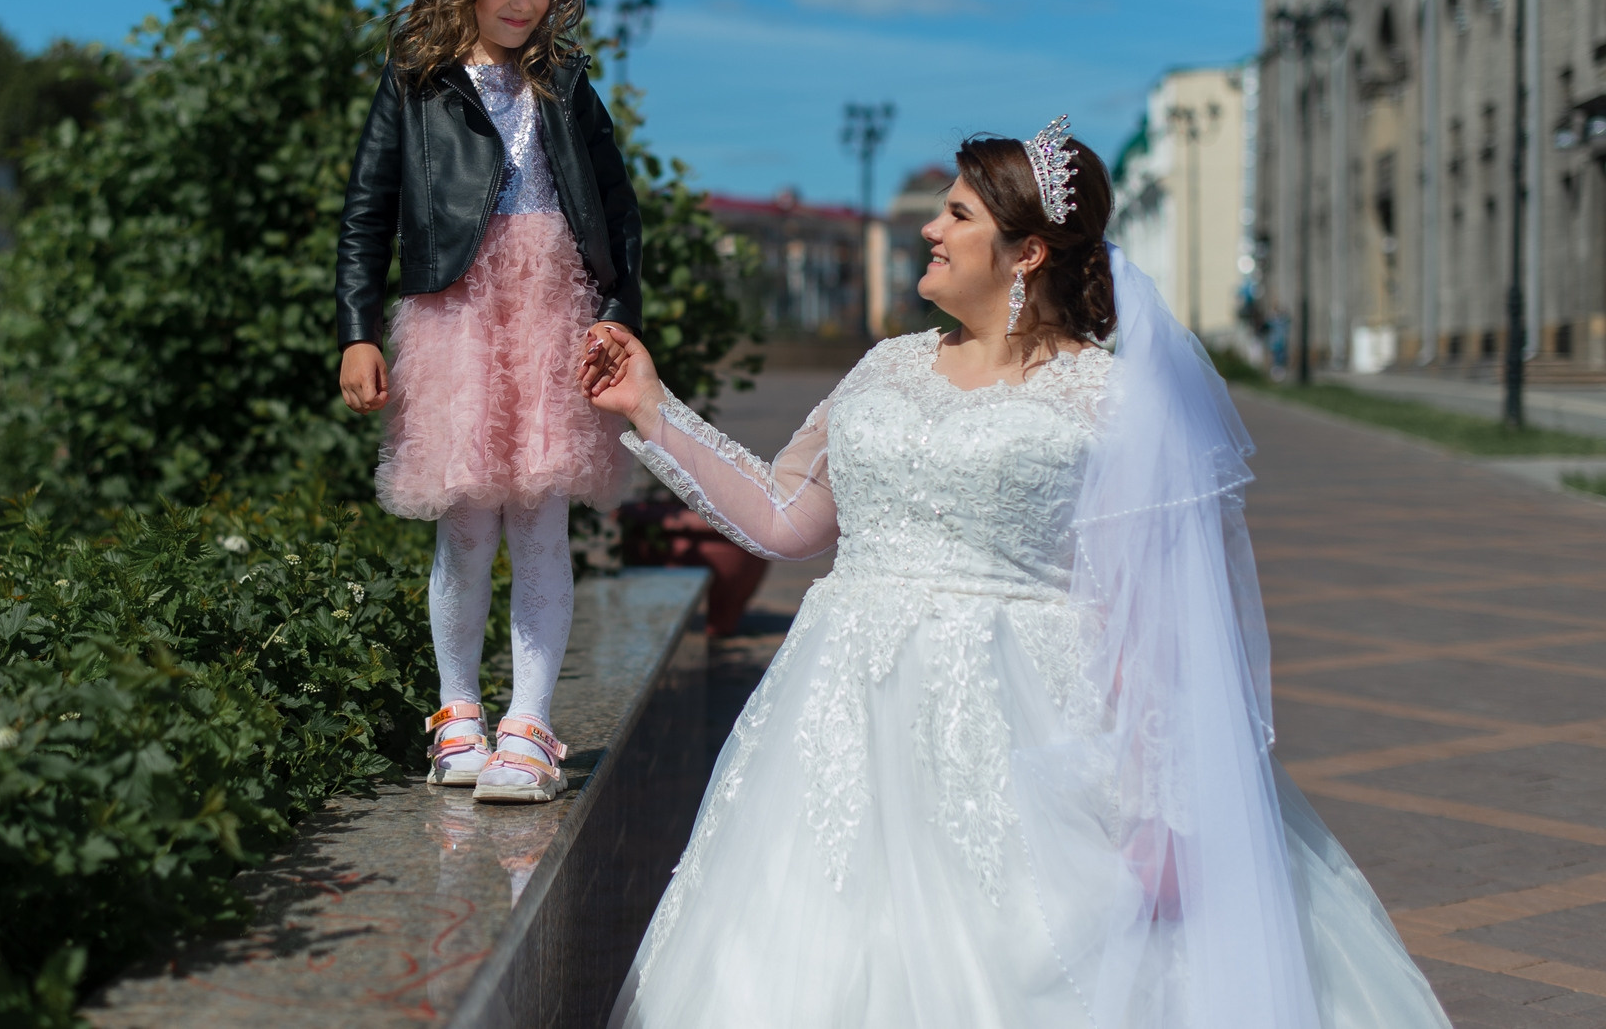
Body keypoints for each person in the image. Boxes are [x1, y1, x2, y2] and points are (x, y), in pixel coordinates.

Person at [582, 120, 1451, 1027]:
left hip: (1021, 726)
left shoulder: (1106, 401)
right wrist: (650, 404)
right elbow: (784, 515)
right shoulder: (885, 365)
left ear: (1025, 249)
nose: (930, 228)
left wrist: (1163, 806)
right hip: (839, 720)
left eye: (956, 213)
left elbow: (1153, 615)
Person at [336, 0, 641, 804]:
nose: (525, 1)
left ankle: (531, 725)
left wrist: (618, 313)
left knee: (540, 519)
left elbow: (619, 210)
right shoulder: (415, 80)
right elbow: (366, 210)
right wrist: (356, 328)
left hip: (554, 308)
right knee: (466, 524)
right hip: (455, 311)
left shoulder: (566, 80)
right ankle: (457, 713)